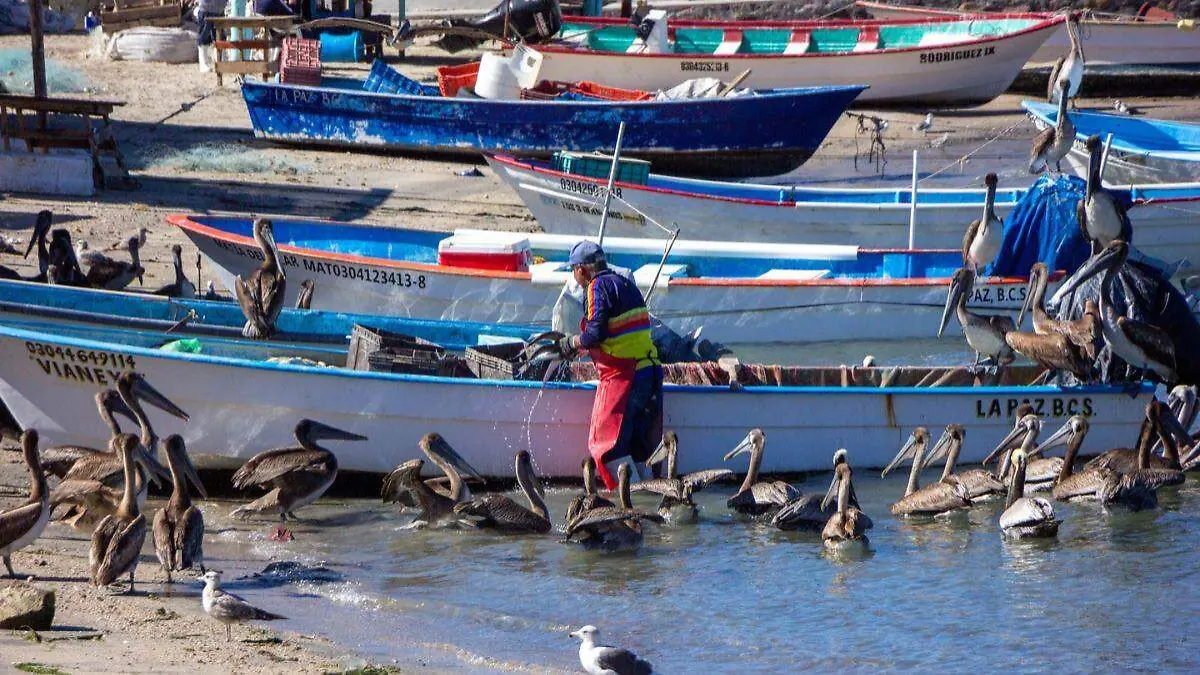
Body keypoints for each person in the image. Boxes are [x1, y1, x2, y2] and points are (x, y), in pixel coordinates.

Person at [557, 241, 662, 490]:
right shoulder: (626, 284)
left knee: (609, 445)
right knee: (638, 446)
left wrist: (571, 343)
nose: (575, 276)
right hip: (650, 371)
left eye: (573, 270)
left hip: (626, 376)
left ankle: (627, 506)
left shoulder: (596, 287)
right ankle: (647, 498)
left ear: (582, 269)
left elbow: (595, 333)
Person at [195, 0, 228, 73]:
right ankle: (204, 63)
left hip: (220, 9)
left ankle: (220, 60)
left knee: (220, 35)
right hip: (206, 8)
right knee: (204, 35)